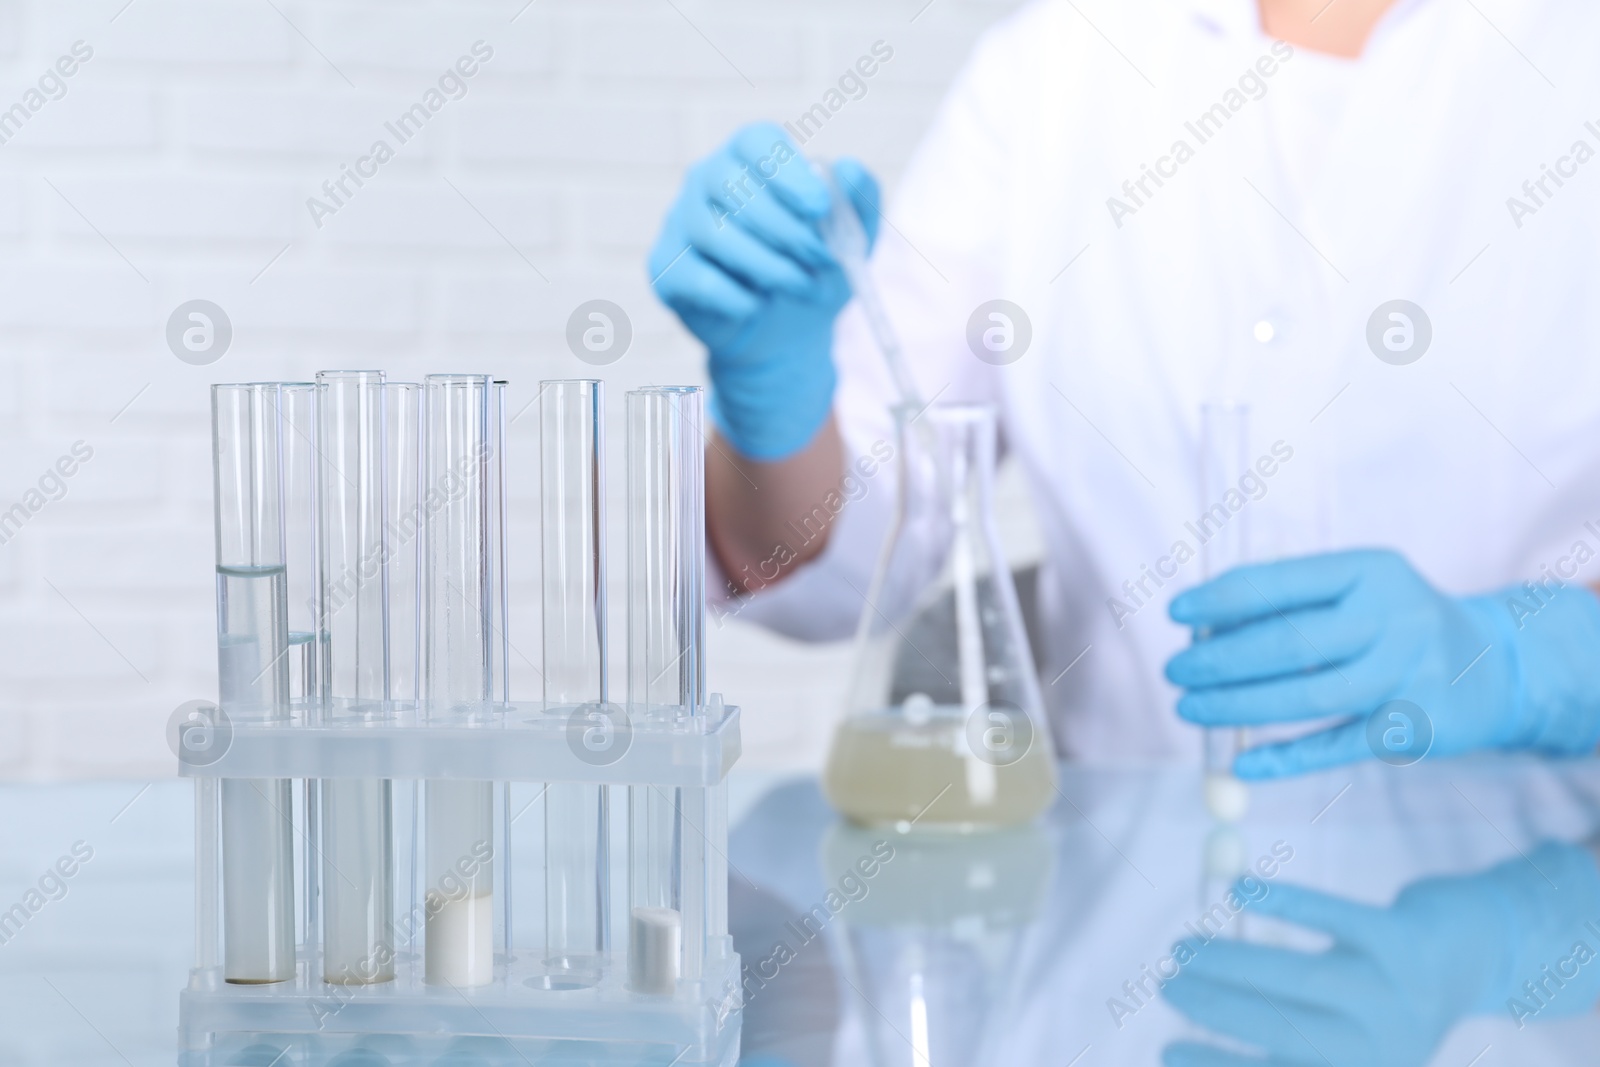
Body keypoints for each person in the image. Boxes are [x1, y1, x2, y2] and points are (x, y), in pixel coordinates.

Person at [647, 0, 1600, 774]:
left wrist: (1534, 664)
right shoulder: (1052, 69)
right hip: (1125, 925)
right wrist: (771, 385)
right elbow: (837, 562)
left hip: (1535, 920)